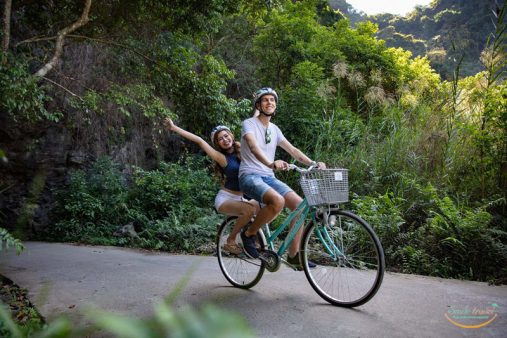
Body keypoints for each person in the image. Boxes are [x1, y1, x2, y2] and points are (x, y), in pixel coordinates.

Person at [238, 87, 325, 268]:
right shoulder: (249, 124)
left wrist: (313, 163)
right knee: (277, 201)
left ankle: (294, 256)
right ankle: (249, 233)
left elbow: (293, 151)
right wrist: (270, 163)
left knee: (299, 206)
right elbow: (254, 148)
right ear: (258, 104)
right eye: (265, 100)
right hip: (249, 176)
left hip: (268, 178)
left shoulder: (275, 129)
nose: (270, 102)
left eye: (272, 100)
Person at [164, 118, 259, 255]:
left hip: (241, 199)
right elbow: (200, 141)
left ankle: (253, 238)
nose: (225, 140)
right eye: (220, 139)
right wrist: (174, 128)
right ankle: (230, 241)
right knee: (249, 210)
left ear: (231, 135)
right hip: (226, 199)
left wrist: (258, 103)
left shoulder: (243, 150)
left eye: (226, 136)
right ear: (217, 144)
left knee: (267, 204)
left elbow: (251, 126)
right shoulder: (221, 157)